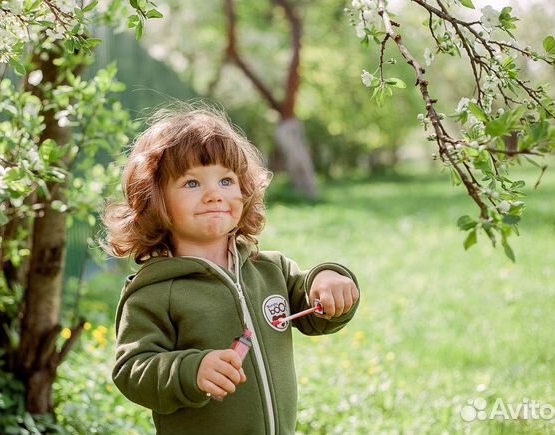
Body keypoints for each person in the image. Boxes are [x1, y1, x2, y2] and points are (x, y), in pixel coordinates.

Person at [101, 104, 360, 435]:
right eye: (191, 184)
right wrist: (190, 371)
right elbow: (133, 369)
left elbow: (312, 308)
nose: (213, 195)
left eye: (226, 180)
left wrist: (330, 280)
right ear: (156, 200)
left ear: (244, 190)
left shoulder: (269, 270)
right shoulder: (155, 292)